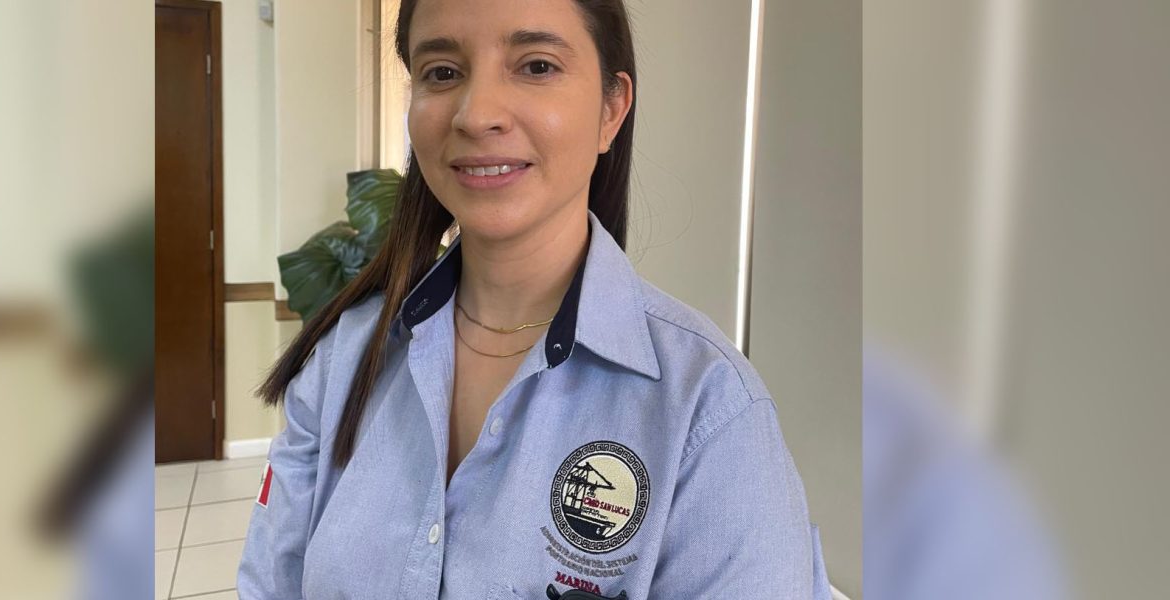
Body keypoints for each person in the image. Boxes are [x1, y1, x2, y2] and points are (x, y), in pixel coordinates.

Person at [238, 0, 830, 597]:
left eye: (537, 65)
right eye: (442, 72)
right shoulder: (344, 356)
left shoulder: (710, 409)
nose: (477, 115)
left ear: (611, 109)